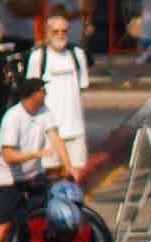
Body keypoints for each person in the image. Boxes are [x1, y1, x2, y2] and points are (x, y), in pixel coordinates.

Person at [0, 78, 72, 242]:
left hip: (34, 178)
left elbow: (56, 138)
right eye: (42, 90)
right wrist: (35, 155)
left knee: (38, 226)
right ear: (32, 95)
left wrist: (68, 167)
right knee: (3, 230)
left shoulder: (45, 111)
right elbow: (8, 156)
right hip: (8, 181)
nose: (45, 93)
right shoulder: (13, 117)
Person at [24, 15, 89, 176]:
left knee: (75, 176)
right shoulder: (38, 57)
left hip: (75, 129)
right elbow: (30, 93)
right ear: (47, 34)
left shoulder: (77, 55)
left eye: (64, 31)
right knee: (51, 176)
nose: (61, 34)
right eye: (55, 31)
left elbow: (82, 86)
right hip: (49, 131)